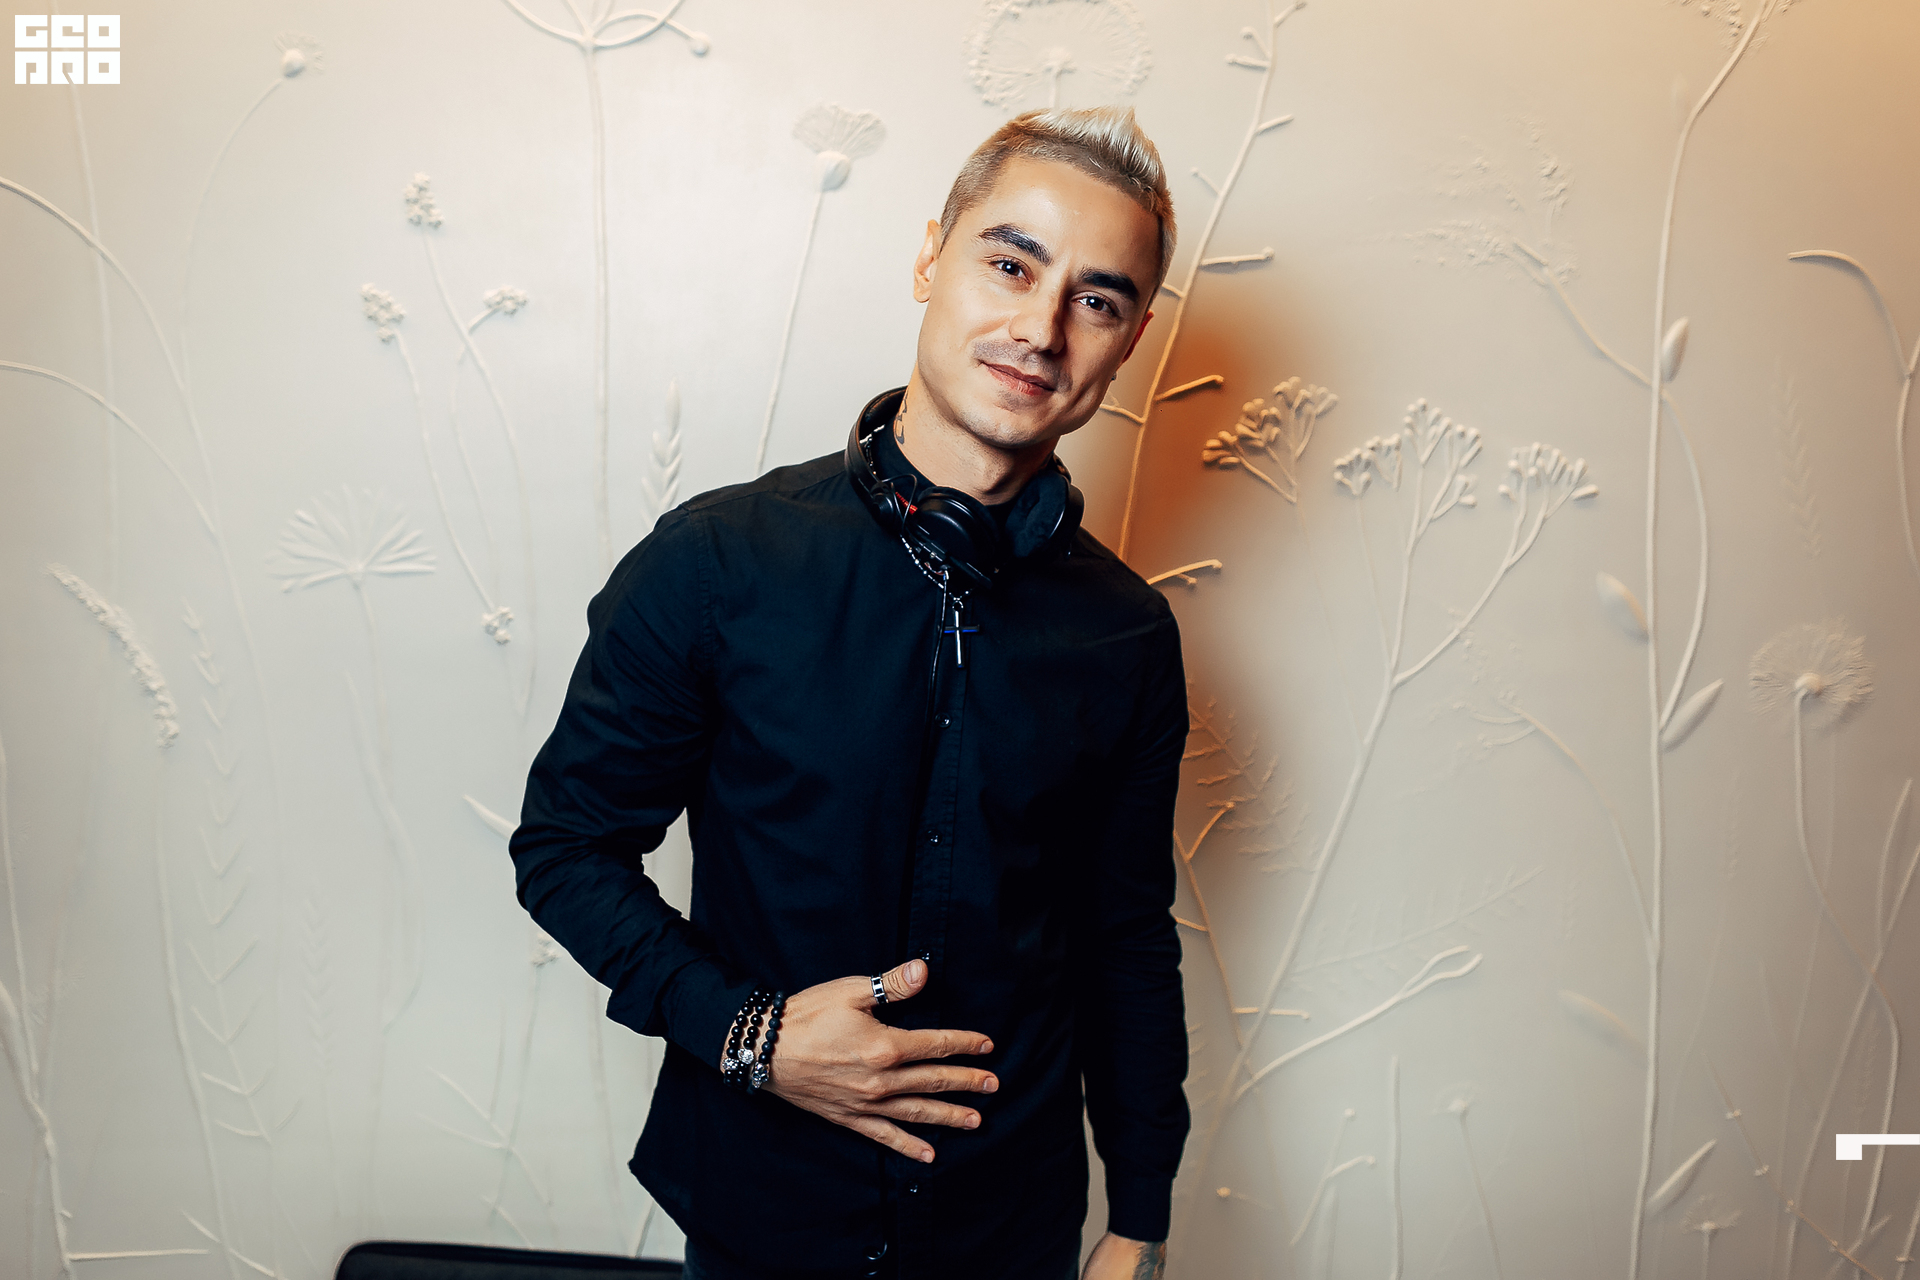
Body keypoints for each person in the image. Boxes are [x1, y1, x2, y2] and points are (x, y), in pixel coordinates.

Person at [508, 105, 1190, 1280]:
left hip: (1010, 1230)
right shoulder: (716, 564)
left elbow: (1122, 934)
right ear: (931, 256)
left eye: (1096, 298)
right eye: (1011, 263)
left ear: (1129, 338)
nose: (1040, 328)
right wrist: (751, 1033)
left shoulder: (1127, 633)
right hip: (763, 1213)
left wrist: (1139, 1215)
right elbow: (566, 848)